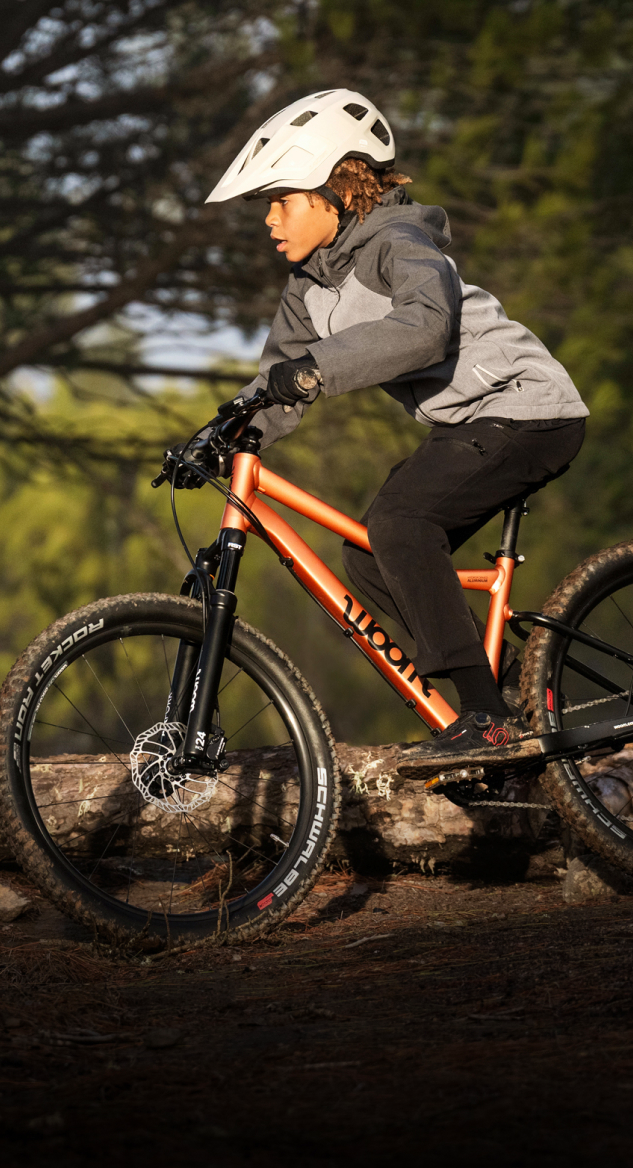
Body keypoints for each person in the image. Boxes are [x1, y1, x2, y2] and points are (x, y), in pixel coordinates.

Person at [202, 88, 588, 778]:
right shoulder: (307, 289)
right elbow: (275, 386)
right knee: (371, 556)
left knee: (402, 520)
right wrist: (216, 437)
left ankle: (488, 722)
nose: (267, 221)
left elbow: (424, 326)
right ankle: (502, 702)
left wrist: (314, 371)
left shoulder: (400, 243)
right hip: (471, 423)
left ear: (334, 193)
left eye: (280, 201)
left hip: (528, 409)